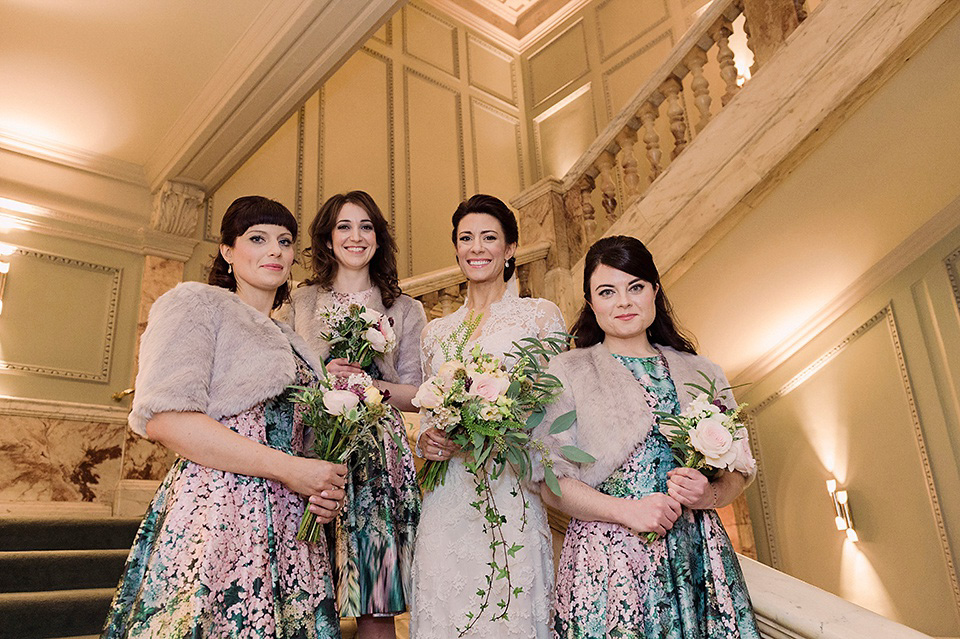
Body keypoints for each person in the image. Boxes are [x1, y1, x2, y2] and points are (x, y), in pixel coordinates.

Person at [102, 196, 347, 638]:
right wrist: (289, 468)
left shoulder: (294, 341)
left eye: (284, 241)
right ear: (228, 252)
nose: (275, 250)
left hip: (292, 529)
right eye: (258, 238)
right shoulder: (195, 305)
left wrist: (321, 488)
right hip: (220, 512)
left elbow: (304, 441)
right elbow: (166, 420)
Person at [535, 235, 760, 638]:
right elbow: (551, 486)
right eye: (607, 291)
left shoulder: (703, 371)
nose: (623, 302)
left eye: (635, 287)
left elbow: (739, 469)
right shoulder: (565, 372)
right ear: (590, 302)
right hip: (607, 562)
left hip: (697, 555)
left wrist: (707, 495)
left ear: (655, 290)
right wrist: (628, 511)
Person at [410, 194, 565, 639]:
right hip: (447, 499)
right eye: (466, 238)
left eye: (489, 238)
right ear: (456, 248)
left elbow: (554, 412)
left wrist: (492, 431)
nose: (476, 248)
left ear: (510, 248)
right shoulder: (435, 331)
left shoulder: (539, 316)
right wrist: (426, 441)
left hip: (509, 489)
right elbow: (428, 413)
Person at [280, 191, 423, 639]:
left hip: (379, 464)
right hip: (311, 456)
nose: (355, 236)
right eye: (344, 226)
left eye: (366, 227)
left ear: (379, 239)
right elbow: (280, 382)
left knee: (376, 604)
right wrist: (323, 378)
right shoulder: (298, 304)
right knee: (305, 597)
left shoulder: (405, 309)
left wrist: (370, 385)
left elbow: (420, 393)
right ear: (327, 238)